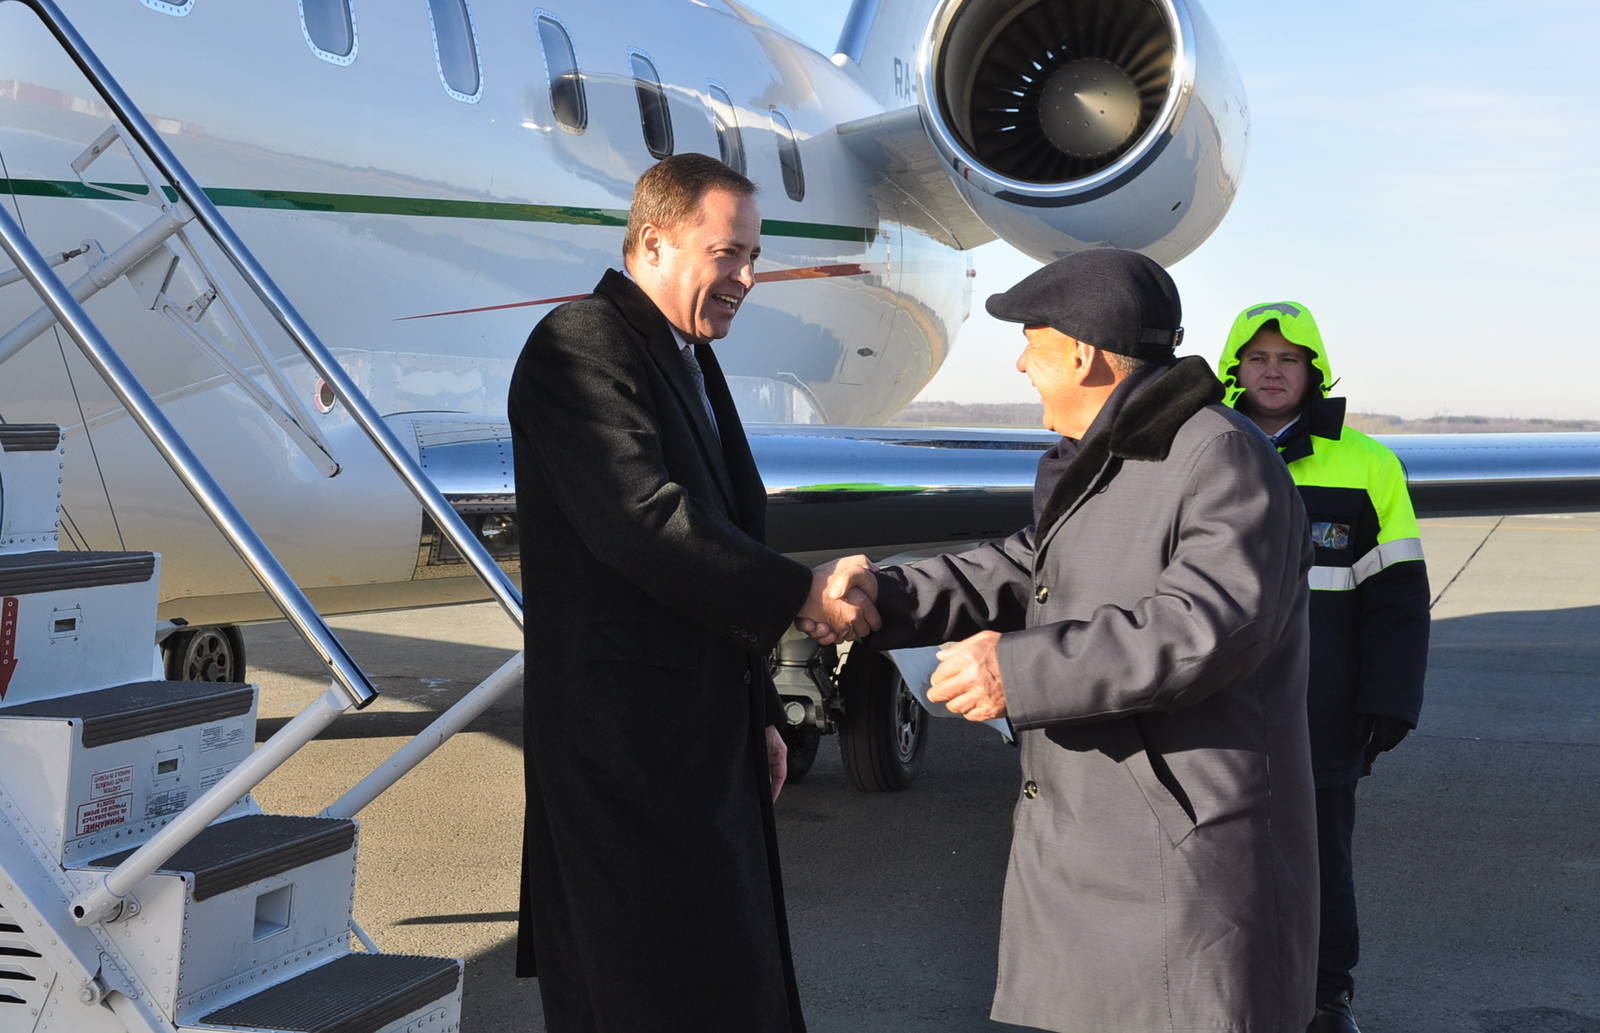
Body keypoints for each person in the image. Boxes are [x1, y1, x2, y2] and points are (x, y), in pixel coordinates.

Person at [808, 248, 1319, 1033]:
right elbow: (1028, 566)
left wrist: (1015, 672)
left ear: (1082, 353)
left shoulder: (1219, 456)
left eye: (1031, 342)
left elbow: (1204, 627)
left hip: (1175, 861)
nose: (1021, 363)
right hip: (1101, 849)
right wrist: (888, 593)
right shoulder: (1114, 454)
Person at [507, 153, 872, 1033]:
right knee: (649, 989)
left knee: (717, 981)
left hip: (698, 744)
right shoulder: (579, 343)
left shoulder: (686, 358)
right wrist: (802, 593)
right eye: (727, 253)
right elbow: (644, 520)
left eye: (753, 256)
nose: (746, 276)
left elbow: (725, 530)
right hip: (627, 759)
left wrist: (760, 714)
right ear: (653, 243)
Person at [1218, 301, 1429, 1033]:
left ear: (1315, 371)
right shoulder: (1201, 450)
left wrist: (1390, 699)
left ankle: (1325, 996)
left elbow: (1398, 597)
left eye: (1289, 359)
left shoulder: (1369, 464)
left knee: (1320, 861)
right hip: (1215, 705)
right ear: (1235, 369)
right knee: (1216, 857)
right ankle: (1225, 991)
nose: (1273, 372)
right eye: (1258, 358)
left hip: (1322, 709)